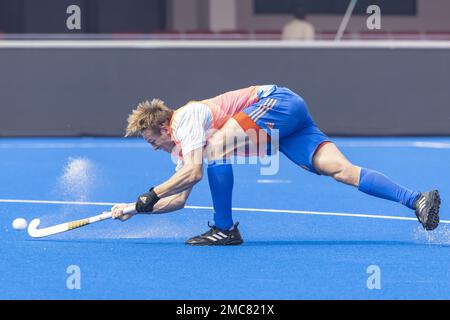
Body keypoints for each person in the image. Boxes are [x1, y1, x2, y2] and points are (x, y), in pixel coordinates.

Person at [111, 85, 441, 246]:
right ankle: (416, 200)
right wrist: (135, 208)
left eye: (152, 140)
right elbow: (180, 198)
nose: (154, 148)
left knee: (214, 151)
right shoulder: (186, 149)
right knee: (341, 170)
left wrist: (150, 193)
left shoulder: (185, 119)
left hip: (276, 103)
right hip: (285, 129)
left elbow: (194, 173)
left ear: (164, 127)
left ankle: (224, 229)